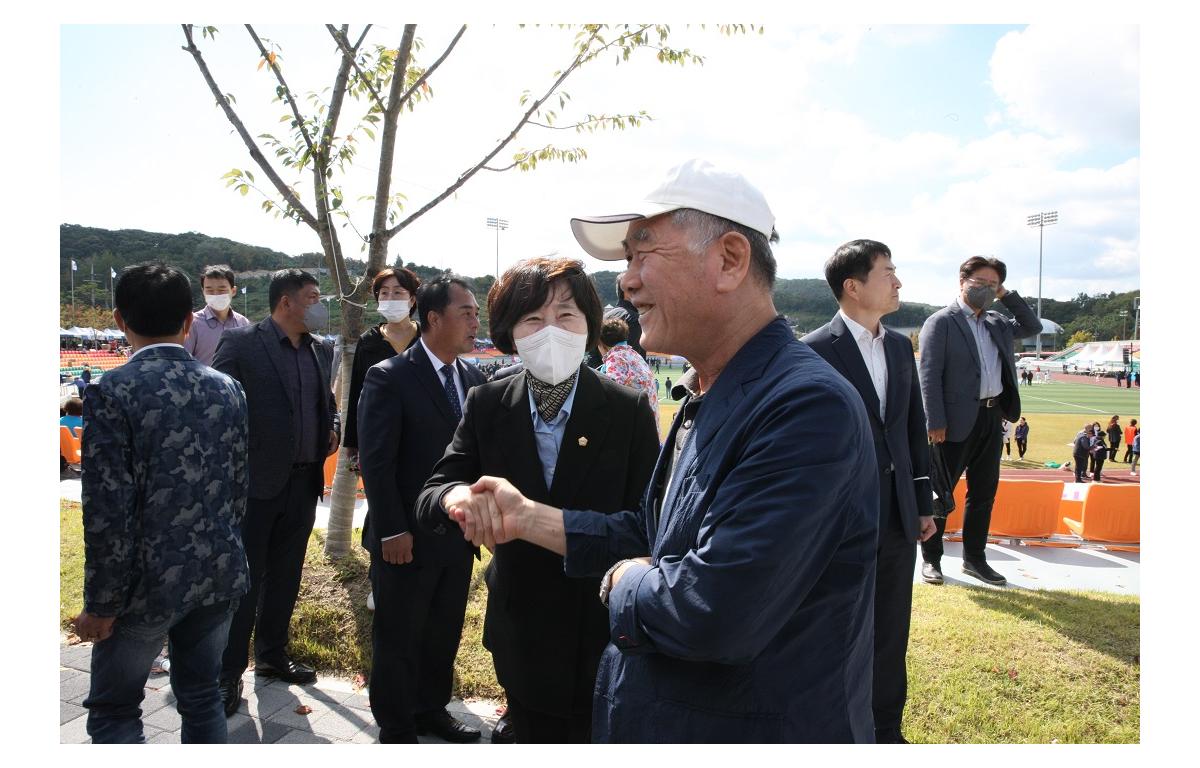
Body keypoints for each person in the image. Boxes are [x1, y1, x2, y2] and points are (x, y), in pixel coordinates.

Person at [439, 159, 878, 742]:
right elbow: (650, 536)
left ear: (729, 260)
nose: (627, 281)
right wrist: (527, 518)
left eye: (643, 254)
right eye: (625, 261)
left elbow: (711, 611)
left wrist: (623, 580)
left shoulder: (804, 406)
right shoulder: (710, 391)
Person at [415, 258, 659, 743]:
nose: (551, 331)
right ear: (510, 333)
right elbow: (432, 492)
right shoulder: (487, 403)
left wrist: (538, 522)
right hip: (521, 624)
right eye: (532, 319)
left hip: (602, 626)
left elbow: (649, 525)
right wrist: (459, 497)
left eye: (566, 315)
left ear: (590, 325)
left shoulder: (626, 409)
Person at [75, 263, 249, 743]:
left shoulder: (112, 390)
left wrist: (101, 603)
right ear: (189, 321)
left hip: (144, 586)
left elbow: (106, 507)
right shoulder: (227, 388)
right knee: (201, 696)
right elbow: (237, 489)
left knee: (114, 708)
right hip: (217, 571)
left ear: (119, 320)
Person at [801, 238, 936, 744]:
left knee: (890, 631)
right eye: (888, 272)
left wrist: (923, 503)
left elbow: (910, 431)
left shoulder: (901, 346)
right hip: (840, 520)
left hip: (898, 516)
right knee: (837, 627)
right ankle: (837, 727)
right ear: (853, 286)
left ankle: (886, 729)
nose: (898, 281)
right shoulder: (813, 351)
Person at [355, 276, 486, 744]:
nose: (476, 321)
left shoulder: (473, 378)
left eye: (476, 312)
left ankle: (432, 709)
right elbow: (377, 460)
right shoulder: (390, 375)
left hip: (454, 536)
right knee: (399, 637)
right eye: (467, 312)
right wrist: (392, 528)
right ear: (434, 319)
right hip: (405, 537)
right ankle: (396, 726)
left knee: (442, 632)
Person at [212, 269, 340, 715]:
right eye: (313, 297)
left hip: (304, 483)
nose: (320, 306)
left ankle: (271, 656)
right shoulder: (243, 344)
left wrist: (334, 427)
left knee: (285, 577)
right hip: (256, 485)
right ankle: (226, 676)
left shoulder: (322, 350)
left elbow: (328, 403)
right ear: (286, 302)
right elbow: (219, 408)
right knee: (244, 583)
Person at [917, 255, 1041, 586]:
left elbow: (1032, 327)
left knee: (983, 493)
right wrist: (934, 421)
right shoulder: (940, 322)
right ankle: (931, 559)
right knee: (940, 492)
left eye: (992, 285)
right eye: (980, 283)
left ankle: (975, 559)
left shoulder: (997, 322)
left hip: (991, 418)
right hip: (951, 423)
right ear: (962, 282)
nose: (986, 290)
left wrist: (1005, 295)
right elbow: (929, 375)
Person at [343, 268, 421, 468]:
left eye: (398, 292)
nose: (390, 298)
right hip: (378, 437)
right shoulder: (368, 341)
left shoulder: (427, 338)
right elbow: (357, 393)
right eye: (384, 293)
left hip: (422, 434)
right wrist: (353, 443)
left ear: (412, 299)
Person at [597, 316, 660, 431]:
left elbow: (612, 393)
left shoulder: (615, 358)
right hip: (650, 426)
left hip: (634, 428)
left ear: (601, 343)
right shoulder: (634, 355)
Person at [184, 265, 251, 366]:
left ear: (233, 291)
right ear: (203, 292)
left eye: (221, 290)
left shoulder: (243, 323)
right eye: (209, 290)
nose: (215, 295)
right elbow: (185, 362)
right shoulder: (192, 324)